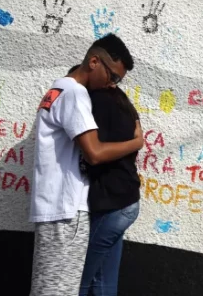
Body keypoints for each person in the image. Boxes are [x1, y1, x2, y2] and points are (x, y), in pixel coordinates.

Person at [29, 34, 145, 296]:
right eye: (112, 76)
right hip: (67, 208)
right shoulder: (75, 93)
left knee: (50, 287)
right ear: (94, 61)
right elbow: (94, 153)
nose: (113, 85)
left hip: (53, 204)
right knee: (60, 290)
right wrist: (137, 142)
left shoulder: (57, 89)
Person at [63, 65, 142, 296]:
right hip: (126, 202)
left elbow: (95, 153)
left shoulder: (96, 102)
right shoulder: (121, 100)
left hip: (113, 206)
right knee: (103, 279)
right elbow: (136, 132)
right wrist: (137, 142)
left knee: (80, 280)